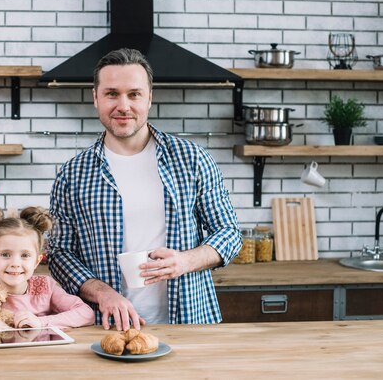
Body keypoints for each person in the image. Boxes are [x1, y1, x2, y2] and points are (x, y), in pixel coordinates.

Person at [48, 48, 242, 330]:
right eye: (112, 93)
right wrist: (103, 294)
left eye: (134, 94)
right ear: (95, 98)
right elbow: (59, 253)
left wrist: (185, 261)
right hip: (108, 327)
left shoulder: (192, 159)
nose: (123, 106)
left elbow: (230, 233)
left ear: (150, 98)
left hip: (188, 321)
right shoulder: (72, 174)